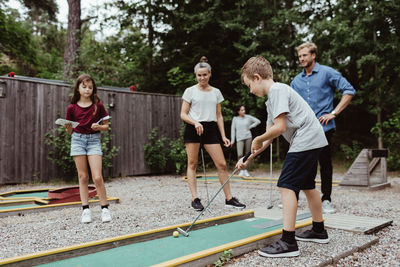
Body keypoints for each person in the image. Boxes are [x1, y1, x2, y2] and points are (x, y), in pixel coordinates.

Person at [237, 56, 329, 258]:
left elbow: (280, 127)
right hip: (313, 139)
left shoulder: (277, 90)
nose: (250, 90)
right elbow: (270, 137)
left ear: (257, 77)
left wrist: (259, 137)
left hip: (306, 139)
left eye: (249, 85)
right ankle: (319, 230)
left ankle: (288, 242)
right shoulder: (273, 100)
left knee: (286, 185)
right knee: (308, 185)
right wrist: (248, 157)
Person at [291, 42, 355, 214]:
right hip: (303, 130)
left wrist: (334, 113)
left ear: (313, 55)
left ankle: (326, 199)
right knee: (301, 162)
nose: (301, 59)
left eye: (304, 55)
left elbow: (349, 90)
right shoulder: (296, 81)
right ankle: (293, 199)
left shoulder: (327, 72)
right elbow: (291, 104)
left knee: (324, 164)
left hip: (324, 127)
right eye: (299, 56)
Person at [180, 56, 246, 211]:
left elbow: (219, 116)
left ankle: (229, 199)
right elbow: (183, 114)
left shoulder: (216, 92)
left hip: (210, 130)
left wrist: (223, 136)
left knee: (222, 164)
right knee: (192, 164)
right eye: (199, 75)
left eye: (205, 74)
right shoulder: (190, 91)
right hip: (193, 128)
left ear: (210, 74)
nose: (202, 77)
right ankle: (195, 199)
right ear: (195, 75)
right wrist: (195, 122)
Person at [65, 74, 112, 223]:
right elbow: (69, 131)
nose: (87, 89)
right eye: (84, 86)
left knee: (97, 177)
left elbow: (106, 127)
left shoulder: (98, 106)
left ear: (93, 89)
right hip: (77, 140)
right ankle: (85, 210)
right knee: (83, 176)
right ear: (78, 88)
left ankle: (104, 208)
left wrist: (99, 127)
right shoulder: (71, 108)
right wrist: (68, 127)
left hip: (93, 141)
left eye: (90, 87)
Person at [231, 105, 261, 177]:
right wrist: (232, 140)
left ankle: (245, 170)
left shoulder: (248, 117)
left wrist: (250, 127)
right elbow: (233, 130)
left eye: (244, 110)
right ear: (238, 111)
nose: (243, 111)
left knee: (247, 154)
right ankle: (240, 170)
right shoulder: (235, 119)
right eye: (242, 110)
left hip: (248, 137)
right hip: (239, 138)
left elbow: (258, 121)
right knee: (240, 154)